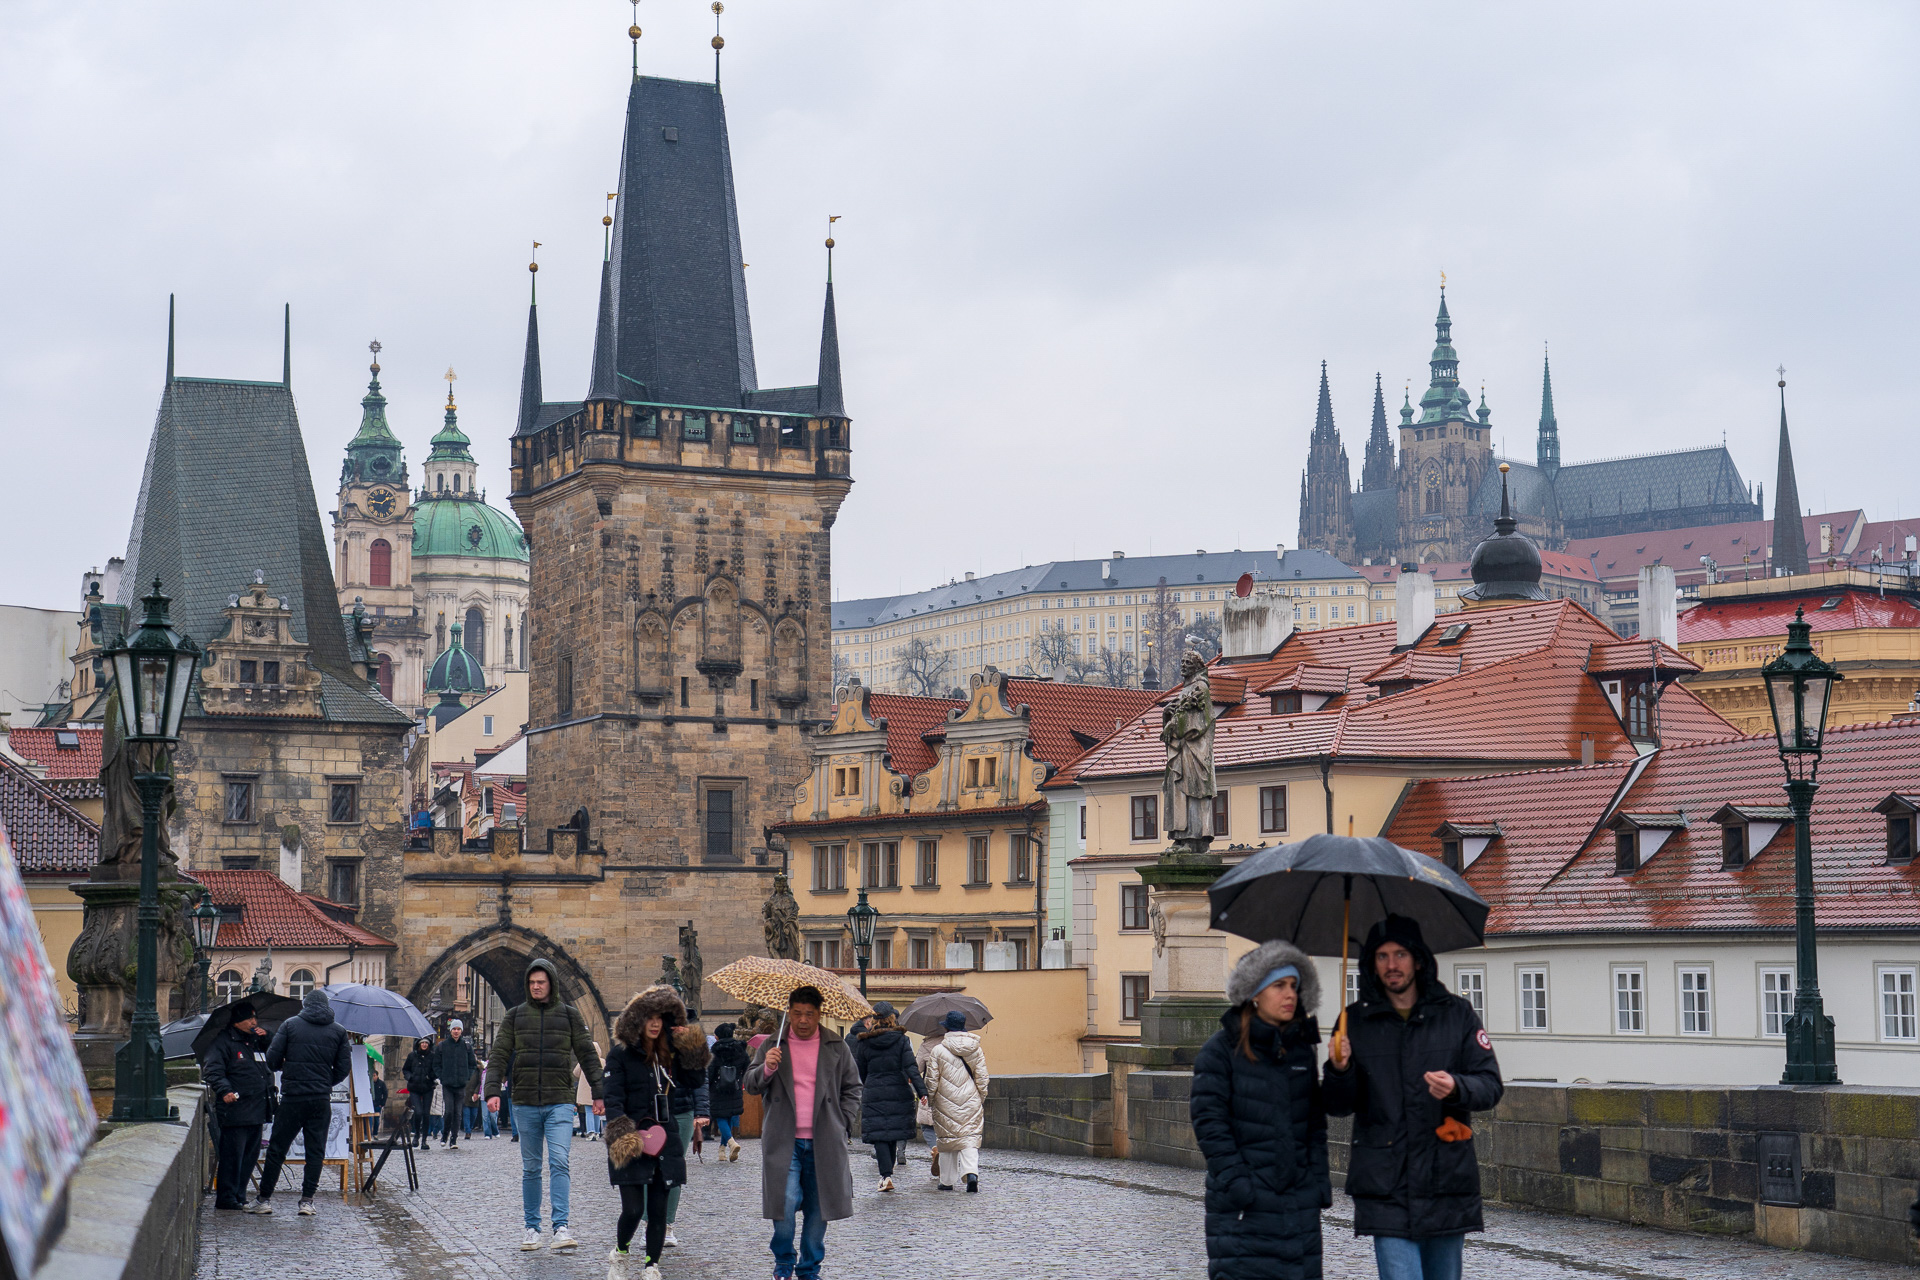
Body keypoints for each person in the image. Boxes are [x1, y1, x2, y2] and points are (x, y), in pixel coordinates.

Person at [1325, 915, 1504, 1280]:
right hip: (1384, 1183)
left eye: (1401, 954)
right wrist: (1339, 1070)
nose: (1392, 965)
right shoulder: (1353, 1021)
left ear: (1418, 959)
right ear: (1372, 965)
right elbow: (1338, 1106)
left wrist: (1456, 1087)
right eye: (1382, 956)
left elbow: (1490, 1085)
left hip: (1445, 1179)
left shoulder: (1457, 1014)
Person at [1191, 941, 1331, 1280]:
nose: (1290, 994)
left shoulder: (1300, 1050)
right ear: (1254, 993)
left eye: (1295, 986)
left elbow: (1315, 1125)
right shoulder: (1220, 1051)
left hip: (1299, 1208)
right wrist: (1241, 1186)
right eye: (1279, 985)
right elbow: (1210, 1124)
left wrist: (1317, 1186)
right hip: (1244, 1209)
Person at [486, 958, 605, 1252]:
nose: (536, 986)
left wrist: (600, 1094)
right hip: (524, 1101)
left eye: (541, 982)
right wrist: (492, 1090)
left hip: (559, 1102)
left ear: (551, 983)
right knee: (531, 1168)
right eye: (532, 982)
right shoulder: (515, 1016)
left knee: (560, 1162)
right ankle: (531, 1228)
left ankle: (561, 1227)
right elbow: (499, 1054)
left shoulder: (569, 1015)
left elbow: (588, 1056)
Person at [745, 986, 862, 1280]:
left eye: (809, 1014)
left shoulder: (837, 1046)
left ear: (819, 1014)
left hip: (825, 1139)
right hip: (785, 1140)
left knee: (818, 1208)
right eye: (796, 1014)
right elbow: (750, 1084)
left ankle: (809, 1268)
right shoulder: (773, 1044)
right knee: (783, 1203)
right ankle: (784, 1260)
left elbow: (853, 1088)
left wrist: (843, 1121)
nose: (803, 1020)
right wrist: (767, 1069)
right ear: (789, 1013)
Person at [603, 988, 705, 1280]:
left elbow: (696, 1079)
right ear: (637, 1019)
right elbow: (613, 1099)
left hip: (665, 1137)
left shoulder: (668, 1054)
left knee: (658, 1210)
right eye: (649, 1017)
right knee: (634, 1209)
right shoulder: (620, 1055)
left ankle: (651, 1266)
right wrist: (623, 1137)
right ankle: (621, 1252)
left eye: (660, 1017)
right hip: (631, 1139)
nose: (655, 1023)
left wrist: (690, 1044)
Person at [253, 987, 350, 1215]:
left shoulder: (290, 1025)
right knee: (315, 1151)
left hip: (293, 1098)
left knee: (277, 1149)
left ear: (305, 1005)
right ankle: (307, 1201)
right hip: (320, 1100)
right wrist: (325, 1082)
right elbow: (344, 1067)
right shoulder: (338, 1031)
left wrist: (285, 1066)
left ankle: (264, 1199)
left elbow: (272, 1059)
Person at [201, 1000, 274, 1211]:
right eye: (249, 1019)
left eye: (255, 1018)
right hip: (236, 1109)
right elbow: (213, 1069)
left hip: (258, 1108)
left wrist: (266, 1037)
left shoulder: (255, 1041)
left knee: (250, 1156)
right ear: (237, 1022)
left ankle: (240, 1195)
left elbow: (276, 1055)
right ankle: (226, 1197)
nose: (254, 1022)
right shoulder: (223, 1042)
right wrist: (225, 1090)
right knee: (233, 1156)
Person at [851, 1001, 927, 1193]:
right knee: (893, 1133)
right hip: (898, 1090)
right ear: (892, 1018)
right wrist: (922, 1091)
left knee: (880, 1135)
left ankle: (885, 1175)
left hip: (874, 1090)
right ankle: (887, 1172)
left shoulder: (864, 1041)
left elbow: (860, 1071)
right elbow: (911, 1067)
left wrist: (866, 1086)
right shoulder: (901, 1040)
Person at [655, 1018, 711, 1247]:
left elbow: (699, 1079)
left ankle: (668, 1225)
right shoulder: (646, 1038)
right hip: (652, 1112)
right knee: (650, 1168)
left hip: (682, 1111)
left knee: (674, 1167)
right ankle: (650, 1224)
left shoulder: (687, 1039)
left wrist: (702, 1111)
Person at [925, 1010, 989, 1192]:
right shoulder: (975, 1048)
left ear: (946, 1028)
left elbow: (931, 1080)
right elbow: (982, 1078)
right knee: (970, 1138)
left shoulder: (938, 1050)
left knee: (947, 1140)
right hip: (971, 1100)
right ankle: (971, 1174)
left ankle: (946, 1180)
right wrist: (980, 1097)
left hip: (945, 1101)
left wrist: (930, 1098)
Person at [706, 1023, 750, 1161]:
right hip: (735, 1086)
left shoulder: (715, 1049)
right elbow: (747, 1066)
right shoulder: (740, 1049)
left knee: (720, 1117)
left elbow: (710, 1071)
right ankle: (722, 1151)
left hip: (718, 1088)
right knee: (730, 1115)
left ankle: (731, 1143)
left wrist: (708, 1085)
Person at [433, 1019, 477, 1150]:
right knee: (449, 1111)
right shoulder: (442, 1046)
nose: (456, 1031)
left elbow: (472, 1065)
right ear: (450, 1031)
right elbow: (436, 1064)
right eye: (454, 1029)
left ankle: (454, 1138)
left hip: (461, 1084)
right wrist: (442, 1076)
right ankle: (445, 1134)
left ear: (461, 1031)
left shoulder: (467, 1047)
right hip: (448, 1084)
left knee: (458, 1113)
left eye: (458, 1029)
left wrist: (467, 1076)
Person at [914, 1026, 945, 1182]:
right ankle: (949, 1160)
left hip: (930, 1090)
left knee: (927, 1126)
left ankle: (935, 1149)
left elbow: (916, 1068)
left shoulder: (927, 1045)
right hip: (951, 1093)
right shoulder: (952, 1043)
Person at [404, 1035, 436, 1150]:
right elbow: (405, 1069)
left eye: (426, 1043)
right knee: (418, 1112)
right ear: (419, 1044)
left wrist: (431, 1077)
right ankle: (416, 1135)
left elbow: (436, 1069)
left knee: (426, 1114)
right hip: (415, 1087)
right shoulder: (412, 1056)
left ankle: (424, 1140)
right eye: (422, 1043)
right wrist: (410, 1077)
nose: (424, 1045)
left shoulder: (432, 1056)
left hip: (427, 1087)